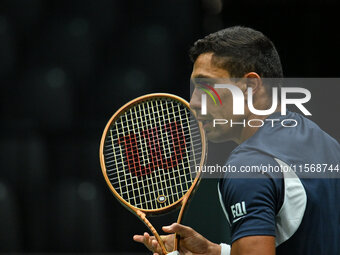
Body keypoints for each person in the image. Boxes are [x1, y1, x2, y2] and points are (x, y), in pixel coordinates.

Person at [133, 26, 340, 255]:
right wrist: (215, 251)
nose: (193, 102)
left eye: (206, 87)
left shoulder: (248, 167)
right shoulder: (326, 143)